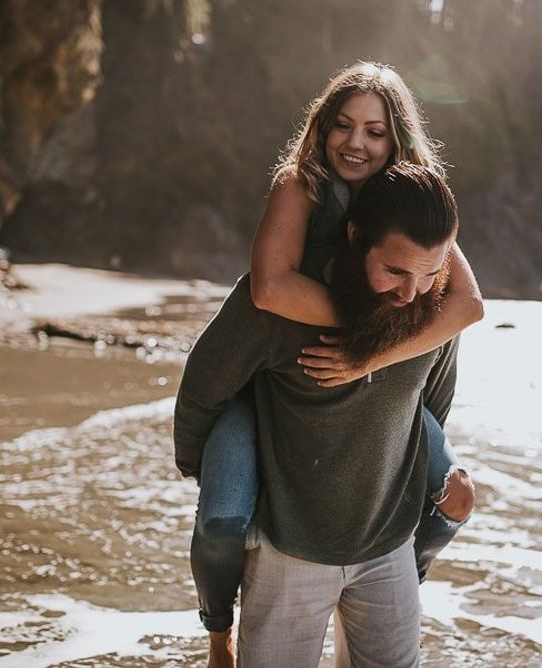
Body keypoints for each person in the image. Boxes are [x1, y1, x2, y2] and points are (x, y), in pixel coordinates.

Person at [186, 62, 482, 666]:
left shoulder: (419, 212)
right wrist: (362, 327)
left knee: (455, 496)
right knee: (222, 516)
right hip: (276, 379)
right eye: (344, 125)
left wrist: (374, 354)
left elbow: (463, 313)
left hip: (386, 389)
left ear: (397, 139)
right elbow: (269, 288)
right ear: (322, 128)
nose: (357, 143)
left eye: (375, 131)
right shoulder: (302, 184)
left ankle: (401, 576)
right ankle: (219, 630)